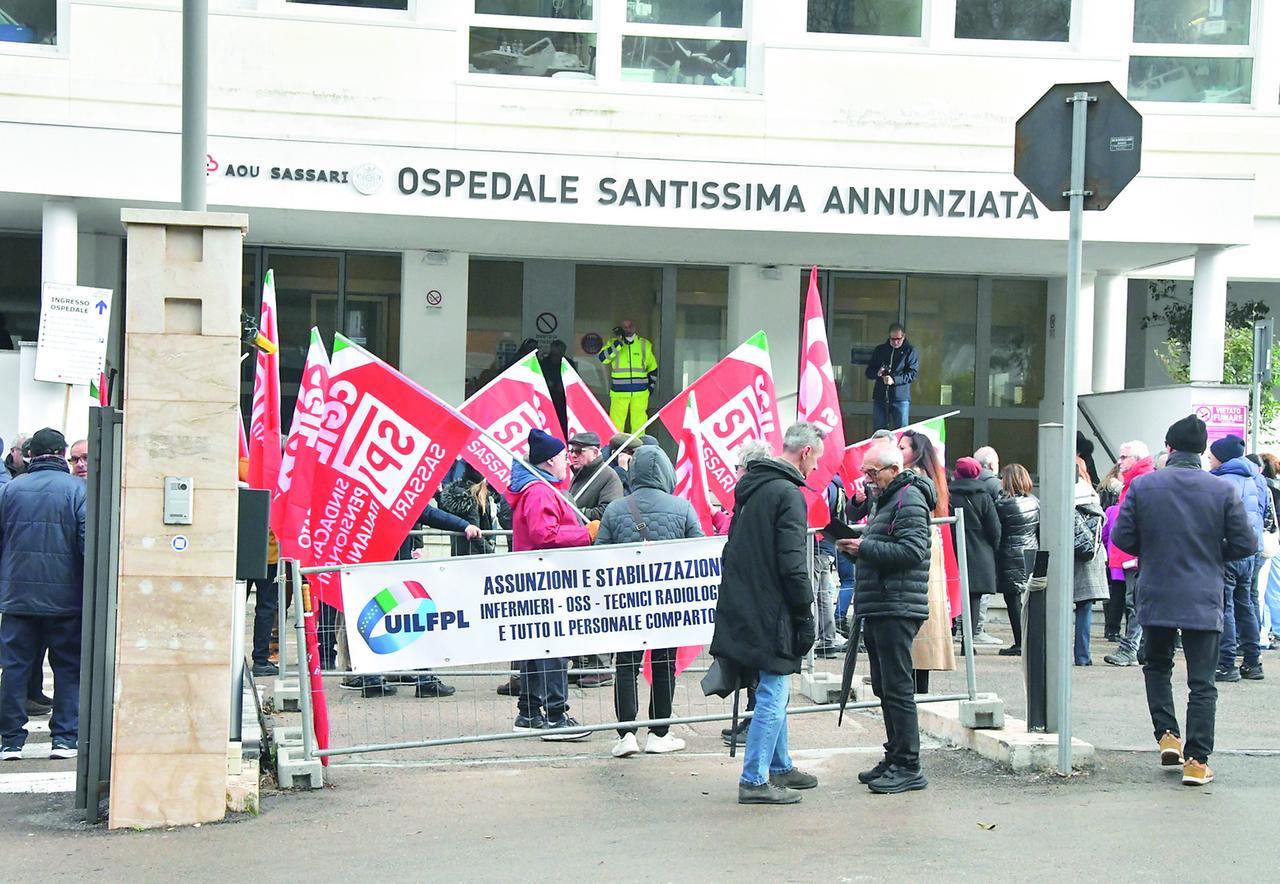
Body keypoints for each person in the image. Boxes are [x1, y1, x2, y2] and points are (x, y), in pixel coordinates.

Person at [1110, 414, 1254, 786]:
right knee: (1202, 681)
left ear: (1169, 448)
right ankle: (1196, 760)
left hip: (1156, 591)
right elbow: (1245, 544)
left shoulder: (1144, 486)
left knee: (1157, 666)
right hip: (1203, 595)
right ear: (1203, 451)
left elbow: (1123, 537)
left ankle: (1167, 735)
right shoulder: (1223, 491)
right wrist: (1212, 552)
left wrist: (1155, 549)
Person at [710, 422, 822, 805]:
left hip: (747, 604)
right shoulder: (788, 494)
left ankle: (779, 766)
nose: (815, 470)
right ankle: (754, 778)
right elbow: (793, 563)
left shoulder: (753, 488)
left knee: (775, 686)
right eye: (816, 460)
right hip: (772, 608)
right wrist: (804, 612)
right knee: (775, 689)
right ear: (805, 452)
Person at [837, 440, 934, 794]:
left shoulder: (909, 499)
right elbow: (887, 551)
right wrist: (855, 551)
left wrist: (863, 547)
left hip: (897, 605)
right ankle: (896, 756)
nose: (867, 479)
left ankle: (908, 763)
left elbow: (911, 551)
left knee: (896, 687)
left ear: (894, 470)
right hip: (883, 603)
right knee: (885, 686)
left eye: (872, 473)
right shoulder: (890, 499)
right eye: (865, 473)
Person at [596, 445, 702, 758]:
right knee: (663, 664)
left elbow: (599, 555)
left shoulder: (616, 509)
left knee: (625, 664)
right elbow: (700, 553)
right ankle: (659, 733)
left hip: (626, 600)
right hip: (668, 600)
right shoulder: (682, 508)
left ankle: (626, 734)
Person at [0, 428, 86, 761]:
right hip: (66, 601)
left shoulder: (11, 490)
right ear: (63, 453)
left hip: (17, 598)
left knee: (15, 669)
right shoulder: (77, 490)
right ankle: (64, 739)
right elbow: (85, 545)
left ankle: (10, 741)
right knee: (67, 669)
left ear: (31, 454)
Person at [510, 428, 596, 740]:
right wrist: (585, 535)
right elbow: (544, 534)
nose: (567, 463)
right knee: (554, 647)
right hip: (545, 579)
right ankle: (556, 715)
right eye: (562, 457)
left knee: (537, 647)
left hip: (537, 577)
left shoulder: (539, 488)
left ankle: (530, 712)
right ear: (548, 462)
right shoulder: (540, 491)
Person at [713, 438, 775, 748]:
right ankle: (752, 719)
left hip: (759, 594)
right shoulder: (748, 494)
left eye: (737, 466)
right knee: (753, 665)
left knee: (764, 671)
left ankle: (756, 723)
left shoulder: (762, 494)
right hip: (749, 591)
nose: (734, 472)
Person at [897, 429, 955, 692]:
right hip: (927, 547)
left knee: (918, 613)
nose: (898, 452)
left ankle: (914, 687)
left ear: (916, 452)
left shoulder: (914, 481)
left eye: (903, 448)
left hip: (919, 548)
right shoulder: (930, 478)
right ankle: (917, 686)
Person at [566, 431, 624, 688]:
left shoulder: (608, 476)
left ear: (595, 451)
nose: (574, 455)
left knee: (599, 609)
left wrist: (571, 512)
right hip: (581, 552)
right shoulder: (580, 476)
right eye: (571, 450)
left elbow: (607, 512)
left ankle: (600, 666)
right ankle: (582, 664)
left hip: (599, 553)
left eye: (579, 451)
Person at [1207, 435, 1266, 682]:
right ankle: (1253, 662)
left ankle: (1226, 663)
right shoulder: (1257, 479)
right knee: (1247, 605)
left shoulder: (1220, 481)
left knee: (1226, 607)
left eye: (1211, 455)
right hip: (1251, 551)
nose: (1208, 459)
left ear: (1221, 457)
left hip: (1228, 551)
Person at [1103, 440, 1156, 667]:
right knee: (1135, 601)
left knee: (1135, 601)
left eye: (1124, 457)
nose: (1119, 461)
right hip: (1133, 552)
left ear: (1136, 459)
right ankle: (1141, 649)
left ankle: (1130, 649)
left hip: (1134, 553)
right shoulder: (1139, 481)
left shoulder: (1140, 482)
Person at [949, 457, 1002, 648]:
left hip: (953, 551)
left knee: (951, 595)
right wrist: (991, 549)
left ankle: (949, 635)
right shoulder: (984, 496)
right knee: (974, 600)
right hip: (980, 553)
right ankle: (968, 644)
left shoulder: (948, 495)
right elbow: (995, 529)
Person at [994, 464, 1039, 658]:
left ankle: (1020, 641)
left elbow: (996, 531)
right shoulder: (1035, 502)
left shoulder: (1003, 504)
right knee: (1029, 599)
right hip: (1030, 552)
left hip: (1010, 554)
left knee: (1012, 600)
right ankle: (1030, 640)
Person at [1072, 458, 1109, 666]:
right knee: (1085, 608)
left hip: (1069, 556)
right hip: (1091, 557)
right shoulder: (1091, 495)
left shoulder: (1065, 496)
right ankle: (1083, 656)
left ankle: (1057, 653)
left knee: (1058, 607)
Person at [812, 474, 849, 658]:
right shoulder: (837, 486)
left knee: (812, 593)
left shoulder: (821, 484)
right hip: (827, 545)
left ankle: (811, 642)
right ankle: (827, 639)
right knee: (823, 596)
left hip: (816, 545)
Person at [598, 319, 657, 433]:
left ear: (634, 327)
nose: (627, 329)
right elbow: (603, 359)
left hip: (640, 392)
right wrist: (618, 343)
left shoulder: (644, 344)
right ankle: (615, 449)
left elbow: (653, 368)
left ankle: (638, 449)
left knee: (639, 424)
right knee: (616, 425)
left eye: (629, 326)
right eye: (624, 327)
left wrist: (650, 387)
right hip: (619, 392)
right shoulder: (613, 343)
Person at [865, 323, 918, 431]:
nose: (895, 342)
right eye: (892, 339)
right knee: (879, 432)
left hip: (900, 398)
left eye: (898, 339)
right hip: (880, 397)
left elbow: (912, 374)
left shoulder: (910, 351)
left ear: (903, 336)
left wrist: (894, 380)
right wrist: (877, 373)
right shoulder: (880, 350)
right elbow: (869, 371)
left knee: (901, 431)